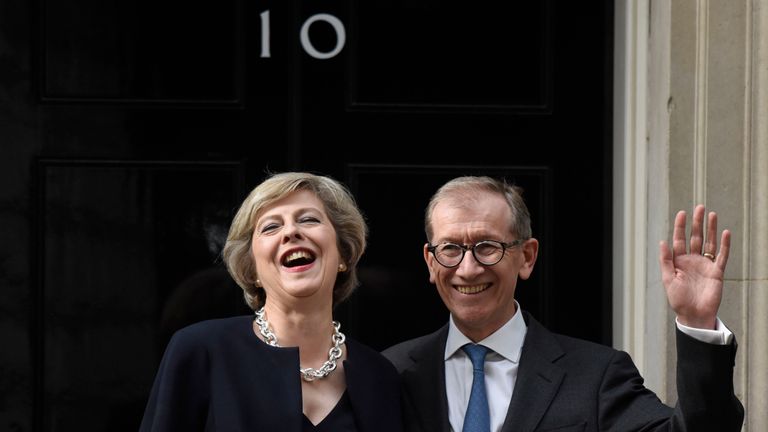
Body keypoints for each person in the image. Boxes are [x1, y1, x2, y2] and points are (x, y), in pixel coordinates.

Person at [382, 175, 744, 432]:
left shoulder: (596, 376)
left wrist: (697, 323)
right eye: (450, 249)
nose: (468, 268)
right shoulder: (389, 374)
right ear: (431, 262)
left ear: (526, 257)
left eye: (487, 247)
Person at [140, 172, 403, 431]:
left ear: (343, 254)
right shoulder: (200, 351)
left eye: (309, 220)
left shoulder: (379, 376)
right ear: (252, 270)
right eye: (271, 227)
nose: (291, 231)